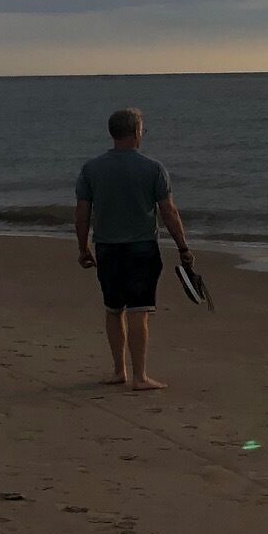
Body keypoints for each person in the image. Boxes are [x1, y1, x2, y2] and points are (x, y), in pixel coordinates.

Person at [74, 107, 194, 392]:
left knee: (114, 309)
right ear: (136, 132)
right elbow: (168, 212)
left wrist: (83, 248)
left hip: (107, 248)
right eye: (142, 130)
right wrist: (183, 247)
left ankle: (119, 370)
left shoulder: (91, 169)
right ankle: (140, 375)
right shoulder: (153, 168)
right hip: (141, 247)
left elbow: (82, 214)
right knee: (139, 310)